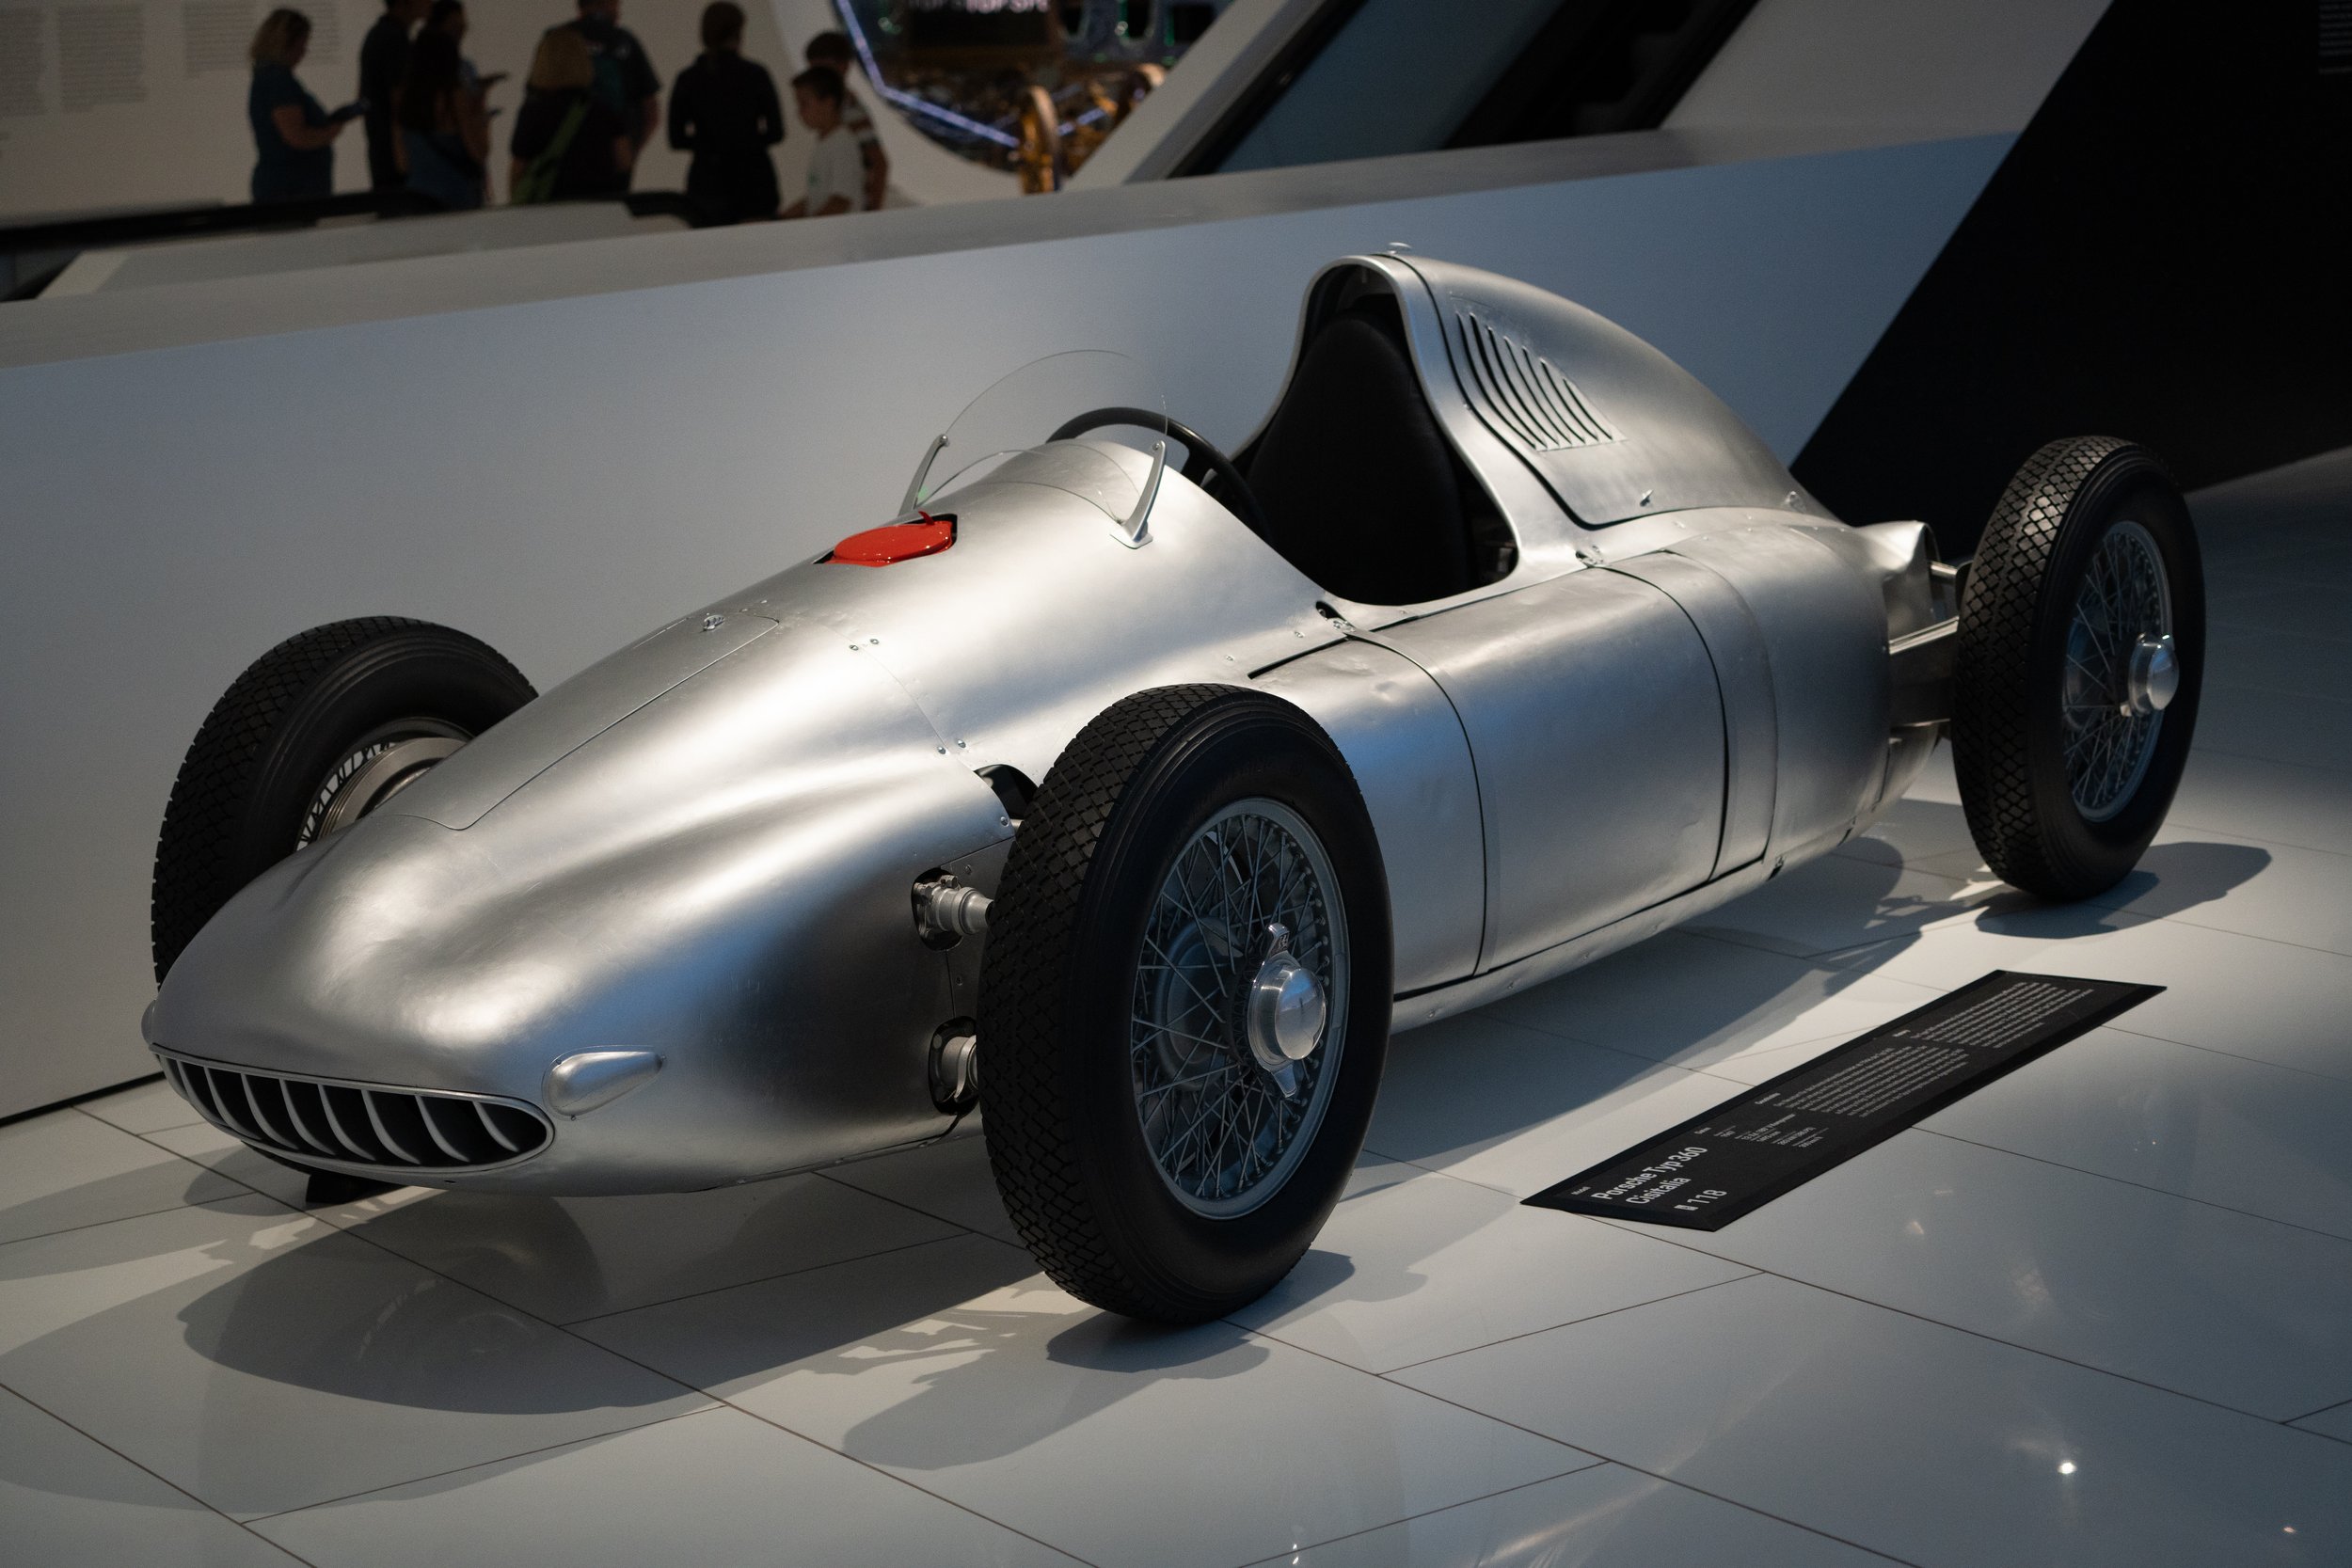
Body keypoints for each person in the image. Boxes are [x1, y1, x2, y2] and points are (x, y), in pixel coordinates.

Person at [667, 2, 783, 224]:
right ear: (739, 31)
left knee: (712, 253)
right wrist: (747, 142)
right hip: (753, 180)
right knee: (758, 251)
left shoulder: (689, 79)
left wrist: (708, 144)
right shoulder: (755, 75)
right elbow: (776, 132)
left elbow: (676, 139)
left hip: (708, 183)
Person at [510, 25, 633, 202]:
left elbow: (519, 168)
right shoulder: (603, 109)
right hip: (598, 207)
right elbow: (624, 161)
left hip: (548, 209)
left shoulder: (533, 112)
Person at [248, 8, 357, 203]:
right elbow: (296, 136)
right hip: (292, 190)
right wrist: (331, 132)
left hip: (289, 186)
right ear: (286, 43)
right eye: (301, 44)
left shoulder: (269, 78)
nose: (304, 51)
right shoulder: (278, 82)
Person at [560, 0, 659, 180]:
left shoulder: (558, 40)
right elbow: (651, 112)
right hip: (614, 161)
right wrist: (629, 151)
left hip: (562, 160)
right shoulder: (624, 42)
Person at [395, 28, 489, 209]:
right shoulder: (453, 97)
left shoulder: (404, 100)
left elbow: (402, 165)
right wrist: (481, 113)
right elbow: (479, 153)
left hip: (417, 198)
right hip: (457, 196)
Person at [803, 30, 885, 213]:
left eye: (822, 70)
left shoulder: (851, 110)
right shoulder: (844, 108)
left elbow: (878, 161)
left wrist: (871, 210)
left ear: (844, 66)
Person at [358, 0, 427, 190]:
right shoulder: (393, 37)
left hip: (386, 149)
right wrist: (403, 152)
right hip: (396, 153)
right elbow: (400, 100)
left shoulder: (382, 35)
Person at [782, 66, 859, 217]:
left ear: (828, 103)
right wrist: (778, 220)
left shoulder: (842, 144)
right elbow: (814, 199)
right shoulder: (826, 143)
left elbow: (840, 202)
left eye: (804, 103)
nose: (799, 111)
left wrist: (811, 230)